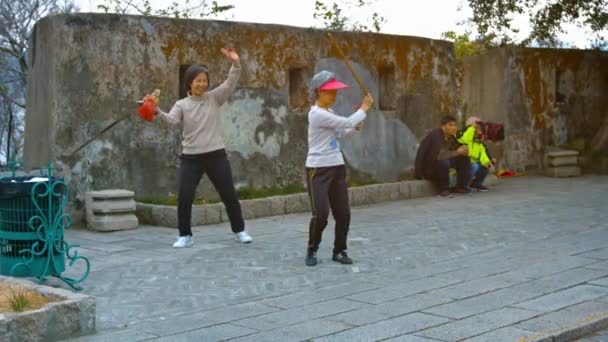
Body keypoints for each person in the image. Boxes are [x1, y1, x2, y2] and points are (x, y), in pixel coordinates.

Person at [152, 48, 253, 248]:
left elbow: (230, 82)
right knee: (185, 197)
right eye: (198, 80)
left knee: (229, 195)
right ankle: (185, 235)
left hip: (216, 155)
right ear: (189, 82)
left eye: (204, 80)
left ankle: (240, 230)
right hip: (191, 158)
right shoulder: (182, 104)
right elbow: (172, 121)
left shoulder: (214, 97)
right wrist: (156, 111)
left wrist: (236, 64)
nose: (202, 84)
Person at [304, 70, 373, 267]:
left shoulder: (330, 113)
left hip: (337, 166)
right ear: (318, 91)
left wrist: (357, 124)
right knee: (321, 215)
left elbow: (342, 131)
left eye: (335, 91)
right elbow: (346, 121)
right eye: (329, 92)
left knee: (343, 213)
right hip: (318, 170)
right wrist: (364, 108)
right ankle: (312, 249)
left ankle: (340, 250)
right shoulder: (316, 114)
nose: (334, 95)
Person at [414, 115, 471, 197]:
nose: (454, 128)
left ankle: (461, 187)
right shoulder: (436, 136)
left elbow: (455, 150)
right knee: (444, 162)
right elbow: (439, 156)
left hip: (440, 165)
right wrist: (457, 152)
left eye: (455, 125)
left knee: (464, 159)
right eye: (450, 125)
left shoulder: (451, 137)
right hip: (429, 169)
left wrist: (463, 151)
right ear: (443, 127)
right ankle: (443, 189)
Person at [457, 116, 494, 192]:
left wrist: (488, 162)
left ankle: (476, 184)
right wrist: (472, 128)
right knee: (474, 166)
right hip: (462, 163)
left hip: (472, 163)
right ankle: (463, 186)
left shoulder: (478, 141)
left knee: (485, 166)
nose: (479, 131)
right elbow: (465, 140)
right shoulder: (462, 135)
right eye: (477, 128)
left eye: (479, 128)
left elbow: (482, 153)